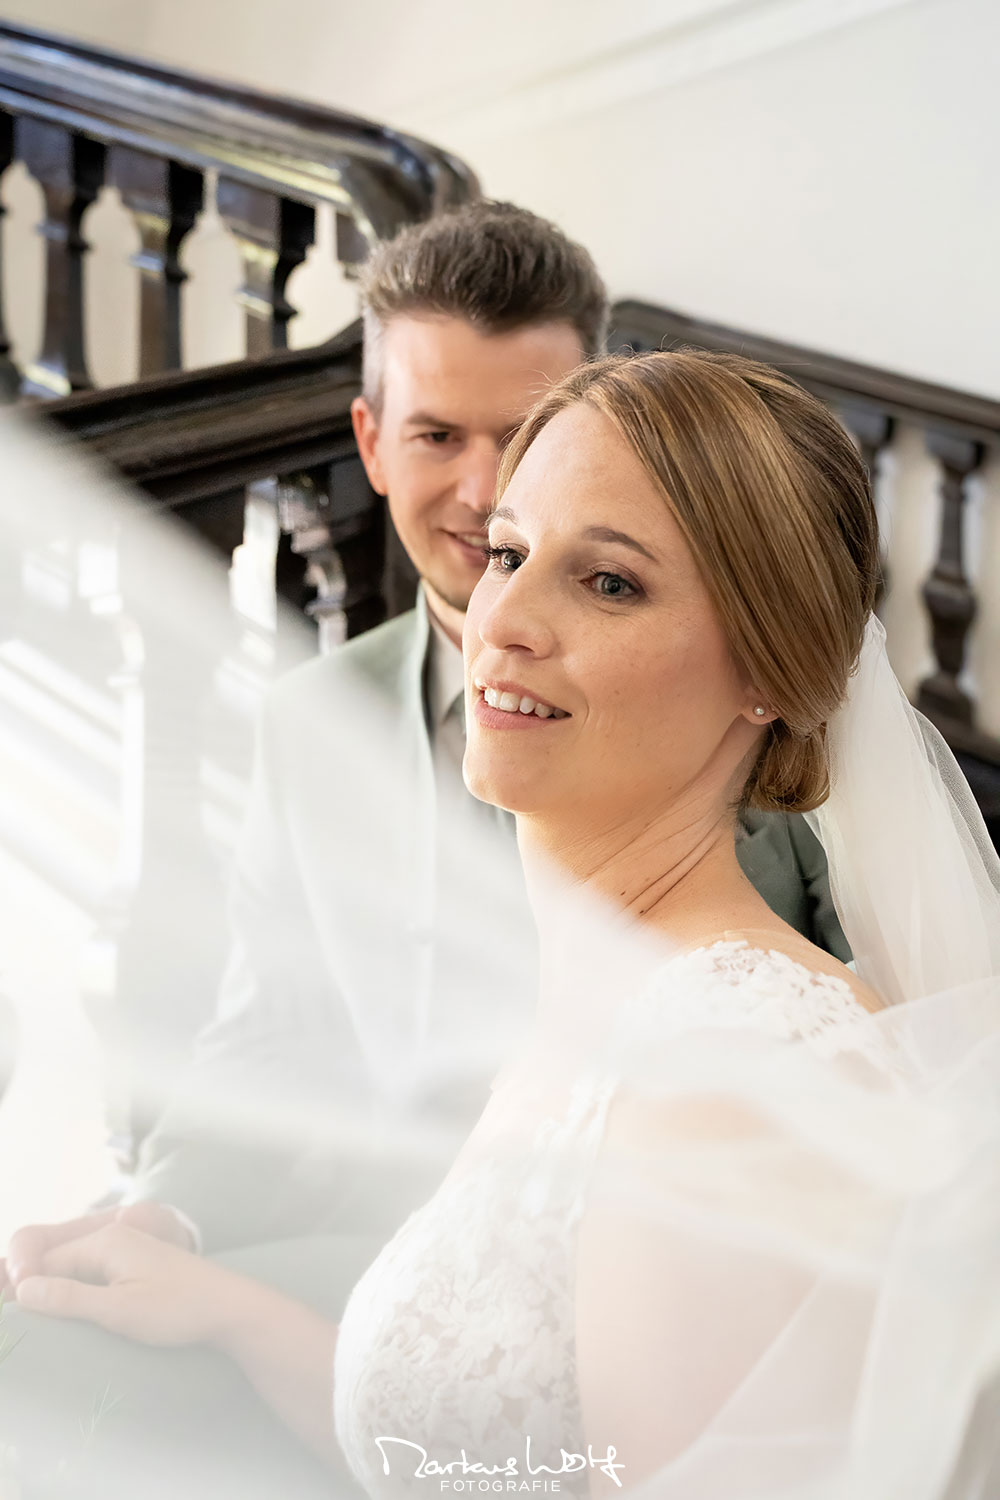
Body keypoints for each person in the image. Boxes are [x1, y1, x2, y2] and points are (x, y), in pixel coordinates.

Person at [11, 349, 1000, 1498]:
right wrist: (232, 1313)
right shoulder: (610, 998)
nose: (505, 622)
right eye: (510, 555)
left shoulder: (723, 1085)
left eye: (610, 583)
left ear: (766, 672)